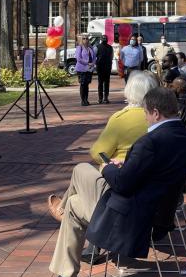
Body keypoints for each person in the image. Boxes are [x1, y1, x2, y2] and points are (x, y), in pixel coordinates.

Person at [39, 86, 186, 277]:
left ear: (155, 112)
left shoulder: (150, 142)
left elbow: (123, 185)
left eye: (145, 113)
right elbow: (159, 172)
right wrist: (128, 164)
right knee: (75, 203)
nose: (145, 118)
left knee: (80, 174)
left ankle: (66, 271)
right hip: (161, 214)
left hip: (129, 219)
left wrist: (109, 168)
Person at [46, 70, 159, 224]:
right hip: (154, 194)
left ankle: (63, 208)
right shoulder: (161, 119)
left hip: (118, 189)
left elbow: (97, 152)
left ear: (129, 91)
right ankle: (65, 208)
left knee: (80, 170)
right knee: (75, 202)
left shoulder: (121, 119)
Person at [75, 35, 96, 106]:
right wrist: (87, 63)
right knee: (82, 84)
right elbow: (78, 58)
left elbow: (94, 57)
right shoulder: (79, 47)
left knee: (87, 85)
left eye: (87, 38)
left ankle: (86, 100)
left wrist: (93, 63)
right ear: (81, 40)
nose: (85, 40)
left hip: (89, 69)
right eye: (84, 39)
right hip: (81, 69)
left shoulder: (91, 48)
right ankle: (82, 100)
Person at [95, 35, 114, 104]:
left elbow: (111, 57)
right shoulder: (97, 47)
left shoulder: (110, 47)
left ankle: (105, 98)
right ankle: (101, 98)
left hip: (106, 67)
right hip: (101, 67)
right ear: (101, 39)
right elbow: (94, 56)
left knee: (105, 83)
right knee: (101, 83)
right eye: (103, 38)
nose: (104, 40)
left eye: (105, 38)